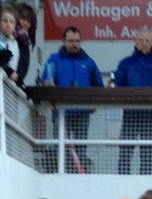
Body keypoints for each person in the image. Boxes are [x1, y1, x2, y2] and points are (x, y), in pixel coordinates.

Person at [40, 27, 104, 172]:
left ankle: (77, 178)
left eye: (77, 41)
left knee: (80, 151)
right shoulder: (54, 59)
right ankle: (62, 178)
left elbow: (98, 87)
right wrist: (47, 83)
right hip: (61, 113)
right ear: (63, 41)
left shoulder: (89, 62)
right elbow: (46, 80)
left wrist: (91, 107)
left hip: (83, 114)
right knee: (61, 150)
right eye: (71, 41)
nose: (74, 44)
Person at [112, 28, 152, 175]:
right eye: (141, 40)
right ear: (135, 42)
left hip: (150, 114)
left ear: (151, 42)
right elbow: (117, 82)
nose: (144, 43)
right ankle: (122, 181)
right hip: (130, 113)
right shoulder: (125, 63)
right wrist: (112, 84)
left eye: (147, 40)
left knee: (147, 152)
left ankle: (145, 182)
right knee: (126, 150)